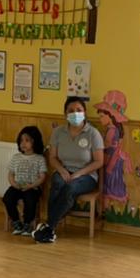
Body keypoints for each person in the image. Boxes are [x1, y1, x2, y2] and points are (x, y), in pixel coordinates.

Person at [32, 97, 105, 244]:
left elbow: (99, 161)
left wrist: (79, 173)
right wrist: (62, 170)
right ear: (65, 114)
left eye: (79, 110)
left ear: (84, 113)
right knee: (57, 183)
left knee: (70, 188)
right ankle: (50, 230)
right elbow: (52, 157)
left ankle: (49, 227)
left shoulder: (93, 133)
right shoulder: (58, 132)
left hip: (86, 176)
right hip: (64, 170)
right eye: (71, 111)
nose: (75, 113)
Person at [3, 126, 47, 235]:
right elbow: (10, 174)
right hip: (17, 186)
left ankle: (28, 224)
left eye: (27, 140)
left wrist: (31, 185)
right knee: (7, 198)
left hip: (33, 187)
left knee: (30, 200)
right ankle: (16, 222)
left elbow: (42, 177)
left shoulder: (39, 158)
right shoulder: (16, 157)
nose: (23, 143)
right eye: (21, 140)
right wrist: (14, 184)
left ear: (34, 141)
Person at [94, 90, 133, 210]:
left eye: (101, 116)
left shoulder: (111, 130)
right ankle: (105, 210)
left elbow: (106, 145)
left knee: (107, 186)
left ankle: (104, 210)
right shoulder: (115, 129)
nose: (100, 119)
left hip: (110, 160)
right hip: (114, 160)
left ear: (110, 116)